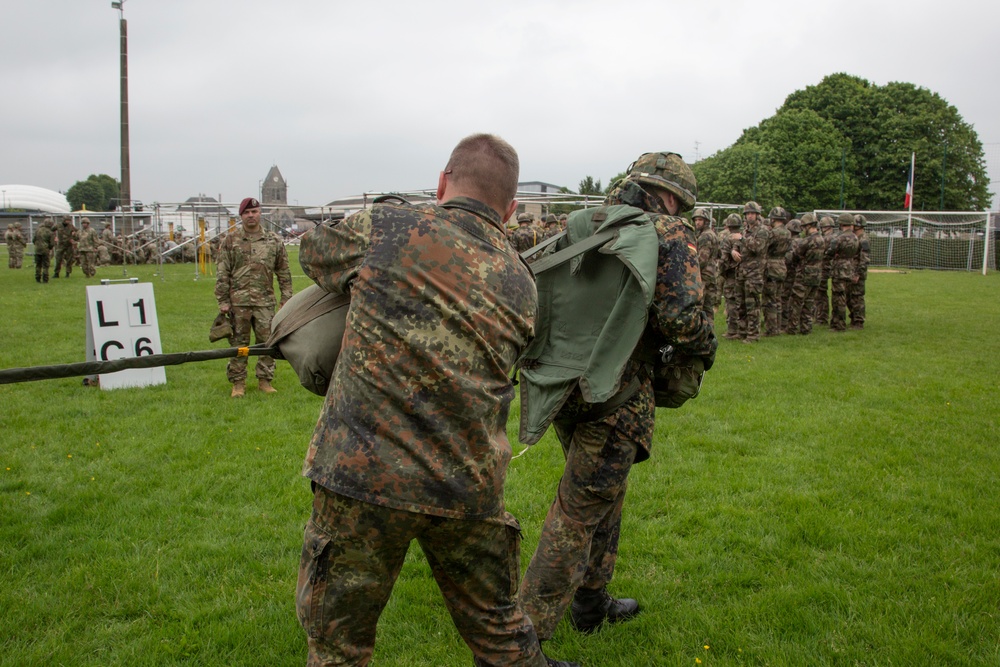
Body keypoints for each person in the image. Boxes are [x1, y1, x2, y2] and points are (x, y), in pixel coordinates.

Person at [295, 134, 572, 667]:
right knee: (500, 632)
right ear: (511, 210)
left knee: (337, 647)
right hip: (465, 482)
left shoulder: (390, 227)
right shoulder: (521, 281)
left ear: (442, 182)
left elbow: (314, 254)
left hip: (362, 477)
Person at [518, 152, 716, 643]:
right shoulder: (670, 235)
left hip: (565, 388)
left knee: (605, 496)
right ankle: (521, 642)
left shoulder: (582, 223)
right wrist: (706, 345)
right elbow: (682, 320)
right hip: (618, 395)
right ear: (671, 196)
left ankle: (589, 603)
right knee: (578, 513)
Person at [214, 196, 292, 397]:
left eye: (254, 212)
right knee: (239, 343)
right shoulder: (230, 241)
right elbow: (223, 272)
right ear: (241, 216)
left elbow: (283, 271)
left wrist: (286, 298)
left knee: (267, 342)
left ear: (260, 214)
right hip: (238, 302)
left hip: (265, 302)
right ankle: (238, 383)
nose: (251, 215)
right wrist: (223, 301)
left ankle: (265, 380)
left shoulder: (273, 240)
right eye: (247, 212)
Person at [734, 201, 769, 343]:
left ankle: (753, 334)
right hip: (742, 271)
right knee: (741, 303)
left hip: (754, 273)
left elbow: (757, 248)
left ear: (757, 215)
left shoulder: (762, 230)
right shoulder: (745, 230)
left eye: (752, 213)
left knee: (752, 304)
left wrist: (742, 239)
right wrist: (733, 251)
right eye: (747, 213)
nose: (749, 216)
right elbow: (736, 244)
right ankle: (742, 331)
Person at [785, 213, 824, 335]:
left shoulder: (806, 241)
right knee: (809, 302)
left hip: (804, 274)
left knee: (796, 302)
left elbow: (794, 256)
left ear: (808, 226)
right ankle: (806, 328)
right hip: (817, 274)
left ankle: (792, 328)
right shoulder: (821, 239)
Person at [825, 213, 860, 332]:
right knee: (846, 296)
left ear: (841, 224)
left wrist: (833, 254)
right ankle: (842, 322)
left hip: (839, 269)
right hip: (850, 268)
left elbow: (830, 252)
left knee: (838, 298)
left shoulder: (839, 238)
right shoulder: (855, 237)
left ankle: (839, 325)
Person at [763, 207, 791, 337]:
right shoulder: (788, 233)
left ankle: (771, 329)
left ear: (773, 218)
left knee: (770, 300)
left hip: (772, 266)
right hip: (782, 265)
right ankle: (779, 326)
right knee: (778, 298)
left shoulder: (772, 233)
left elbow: (764, 246)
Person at [693, 207, 720, 324]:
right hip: (712, 274)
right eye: (696, 220)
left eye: (700, 220)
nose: (697, 222)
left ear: (706, 221)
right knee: (708, 310)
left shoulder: (705, 236)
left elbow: (702, 259)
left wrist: (691, 270)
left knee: (699, 308)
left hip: (703, 275)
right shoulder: (712, 234)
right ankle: (710, 336)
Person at [719, 213, 743, 339]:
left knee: (731, 301)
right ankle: (742, 328)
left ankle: (732, 329)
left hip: (731, 275)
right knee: (741, 301)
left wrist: (722, 271)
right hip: (744, 274)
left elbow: (723, 259)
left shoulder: (727, 239)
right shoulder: (743, 237)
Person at [848, 214, 870, 329]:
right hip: (850, 271)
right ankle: (853, 318)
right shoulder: (854, 238)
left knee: (857, 297)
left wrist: (858, 274)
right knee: (849, 296)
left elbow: (864, 259)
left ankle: (859, 321)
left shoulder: (864, 240)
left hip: (858, 273)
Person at [813, 216, 836, 325]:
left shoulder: (826, 239)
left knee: (820, 294)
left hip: (823, 267)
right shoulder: (835, 237)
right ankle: (821, 316)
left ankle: (821, 317)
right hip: (829, 267)